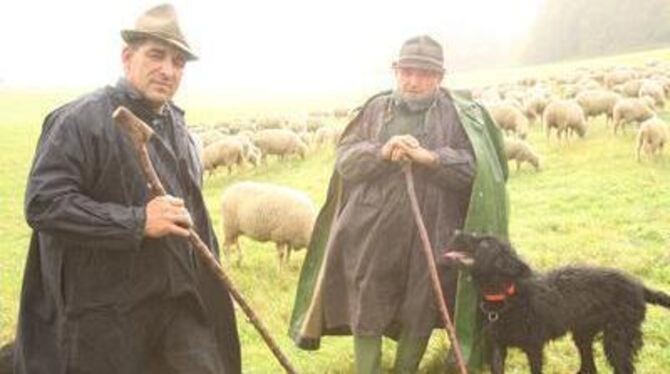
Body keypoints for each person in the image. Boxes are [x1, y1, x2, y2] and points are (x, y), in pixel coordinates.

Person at [14, 4, 241, 373]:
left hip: (174, 304)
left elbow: (192, 215)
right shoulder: (79, 120)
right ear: (127, 56)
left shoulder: (177, 129)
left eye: (178, 62)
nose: (168, 70)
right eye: (156, 55)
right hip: (104, 313)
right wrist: (136, 222)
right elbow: (44, 203)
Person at [289, 35, 509, 373]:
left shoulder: (456, 116)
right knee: (369, 297)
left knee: (423, 301)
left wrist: (430, 157)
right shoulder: (376, 110)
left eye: (424, 74)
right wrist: (382, 151)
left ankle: (405, 369)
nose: (414, 81)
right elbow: (346, 159)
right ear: (396, 72)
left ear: (439, 77)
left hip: (432, 229)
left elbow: (471, 169)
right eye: (407, 72)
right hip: (372, 228)